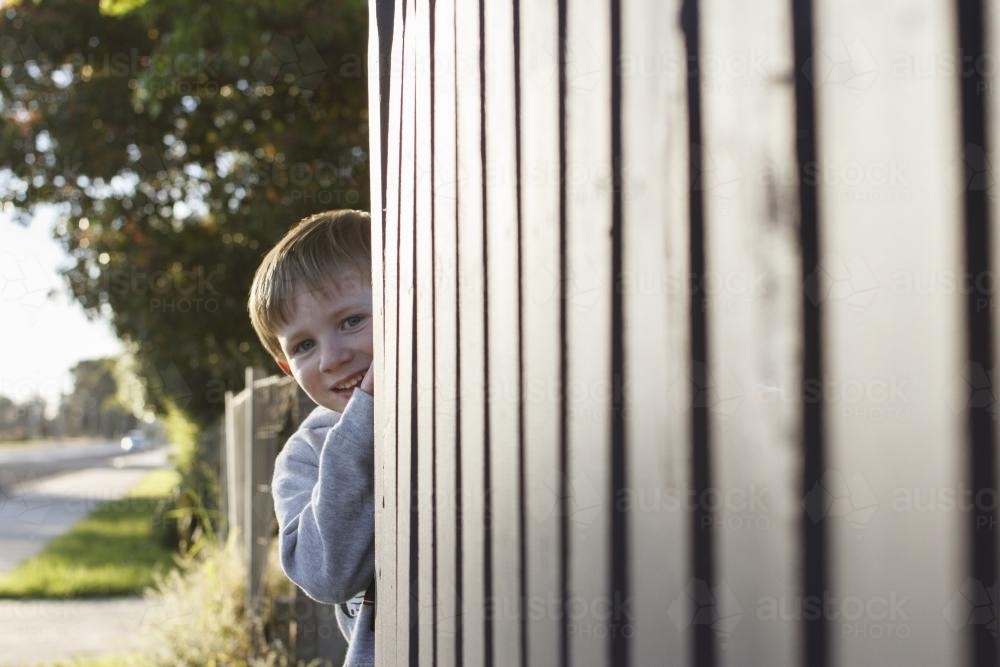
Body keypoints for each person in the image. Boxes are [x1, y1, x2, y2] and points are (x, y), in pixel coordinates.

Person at [247, 209, 376, 667]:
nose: (331, 359)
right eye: (304, 346)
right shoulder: (307, 454)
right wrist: (365, 419)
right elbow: (327, 574)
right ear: (286, 368)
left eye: (351, 321)